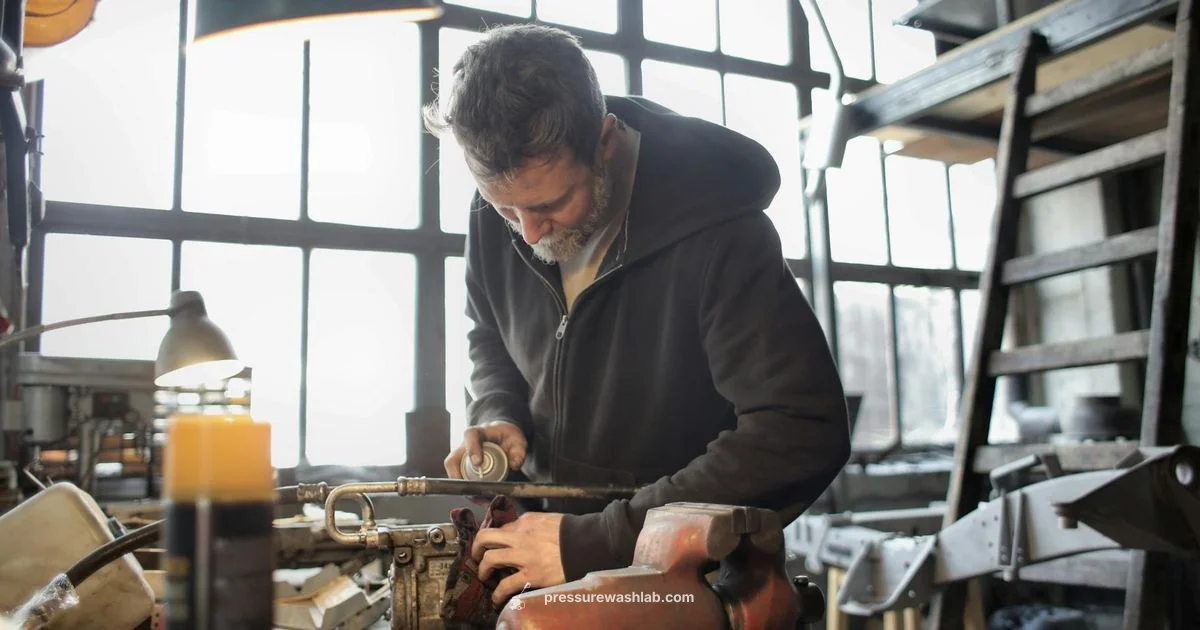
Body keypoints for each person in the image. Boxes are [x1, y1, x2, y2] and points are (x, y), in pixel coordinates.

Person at [424, 23, 851, 605]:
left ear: (604, 141)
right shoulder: (500, 211)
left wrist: (600, 541)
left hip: (685, 585)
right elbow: (490, 334)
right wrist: (499, 410)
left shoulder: (722, 233)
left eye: (551, 204)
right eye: (505, 209)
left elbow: (798, 429)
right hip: (542, 560)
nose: (528, 233)